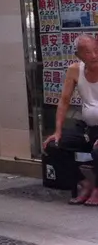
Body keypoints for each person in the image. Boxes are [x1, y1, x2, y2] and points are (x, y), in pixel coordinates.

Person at [42, 35, 98, 206]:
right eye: (87, 52)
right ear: (78, 55)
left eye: (96, 50)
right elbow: (64, 101)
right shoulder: (74, 70)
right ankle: (84, 183)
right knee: (53, 146)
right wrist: (57, 131)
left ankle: (97, 188)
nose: (94, 56)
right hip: (87, 128)